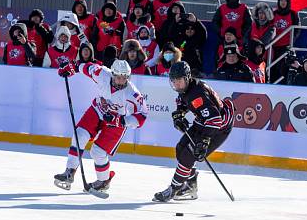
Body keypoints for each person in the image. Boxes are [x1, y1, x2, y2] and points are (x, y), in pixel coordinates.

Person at [54, 59, 148, 195]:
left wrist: (120, 120)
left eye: (124, 78)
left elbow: (142, 116)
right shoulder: (102, 73)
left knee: (97, 152)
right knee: (79, 135)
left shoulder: (132, 93)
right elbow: (85, 67)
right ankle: (70, 171)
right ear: (112, 74)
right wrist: (70, 68)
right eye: (118, 77)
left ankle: (103, 181)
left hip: (116, 121)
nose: (121, 81)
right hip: (97, 110)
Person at [153, 61, 235, 202]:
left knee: (189, 155)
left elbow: (215, 119)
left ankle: (174, 189)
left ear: (187, 77)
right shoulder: (187, 88)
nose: (176, 84)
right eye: (174, 81)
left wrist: (204, 141)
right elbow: (183, 100)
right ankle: (190, 186)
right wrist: (179, 113)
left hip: (219, 127)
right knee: (181, 149)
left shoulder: (198, 93)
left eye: (179, 80)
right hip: (203, 121)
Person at [271, 0, 300, 83]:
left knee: (284, 68)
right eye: (281, 0)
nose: (283, 3)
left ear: (288, 2)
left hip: (286, 46)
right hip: (274, 46)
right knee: (272, 68)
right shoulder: (274, 13)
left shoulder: (293, 14)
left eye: (285, 1)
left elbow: (296, 30)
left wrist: (291, 42)